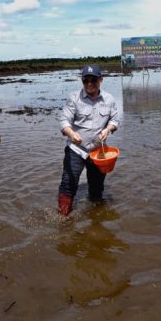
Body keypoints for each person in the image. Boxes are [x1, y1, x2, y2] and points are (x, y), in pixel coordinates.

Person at [58, 65, 120, 216]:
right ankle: (63, 218)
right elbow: (64, 120)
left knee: (97, 188)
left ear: (101, 80)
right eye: (86, 80)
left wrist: (108, 129)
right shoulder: (74, 98)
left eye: (93, 80)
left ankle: (96, 218)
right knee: (68, 183)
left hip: (98, 152)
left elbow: (115, 120)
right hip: (76, 150)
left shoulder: (109, 99)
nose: (89, 84)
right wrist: (71, 134)